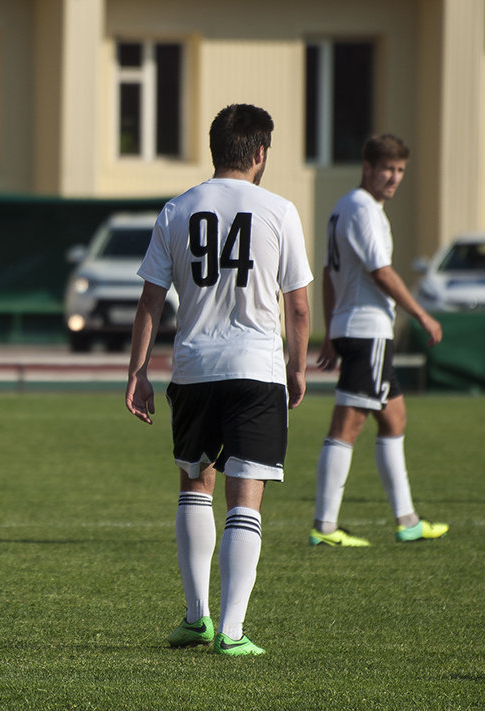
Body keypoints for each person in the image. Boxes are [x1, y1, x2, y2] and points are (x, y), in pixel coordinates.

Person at [125, 103, 312, 656]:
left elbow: (150, 302)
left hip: (195, 367)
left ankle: (195, 617)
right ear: (259, 152)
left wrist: (137, 371)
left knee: (193, 482)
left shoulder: (177, 210)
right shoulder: (279, 210)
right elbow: (298, 307)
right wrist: (297, 367)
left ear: (215, 149)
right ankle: (231, 631)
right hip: (256, 368)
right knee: (244, 495)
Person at [309, 134, 448, 547]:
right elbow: (380, 272)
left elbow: (330, 272)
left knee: (394, 417)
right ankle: (325, 527)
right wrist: (421, 313)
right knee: (346, 426)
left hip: (358, 329)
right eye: (387, 168)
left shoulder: (344, 207)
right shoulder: (363, 209)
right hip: (368, 330)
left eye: (400, 170)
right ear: (367, 167)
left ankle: (407, 521)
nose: (394, 178)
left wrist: (332, 330)